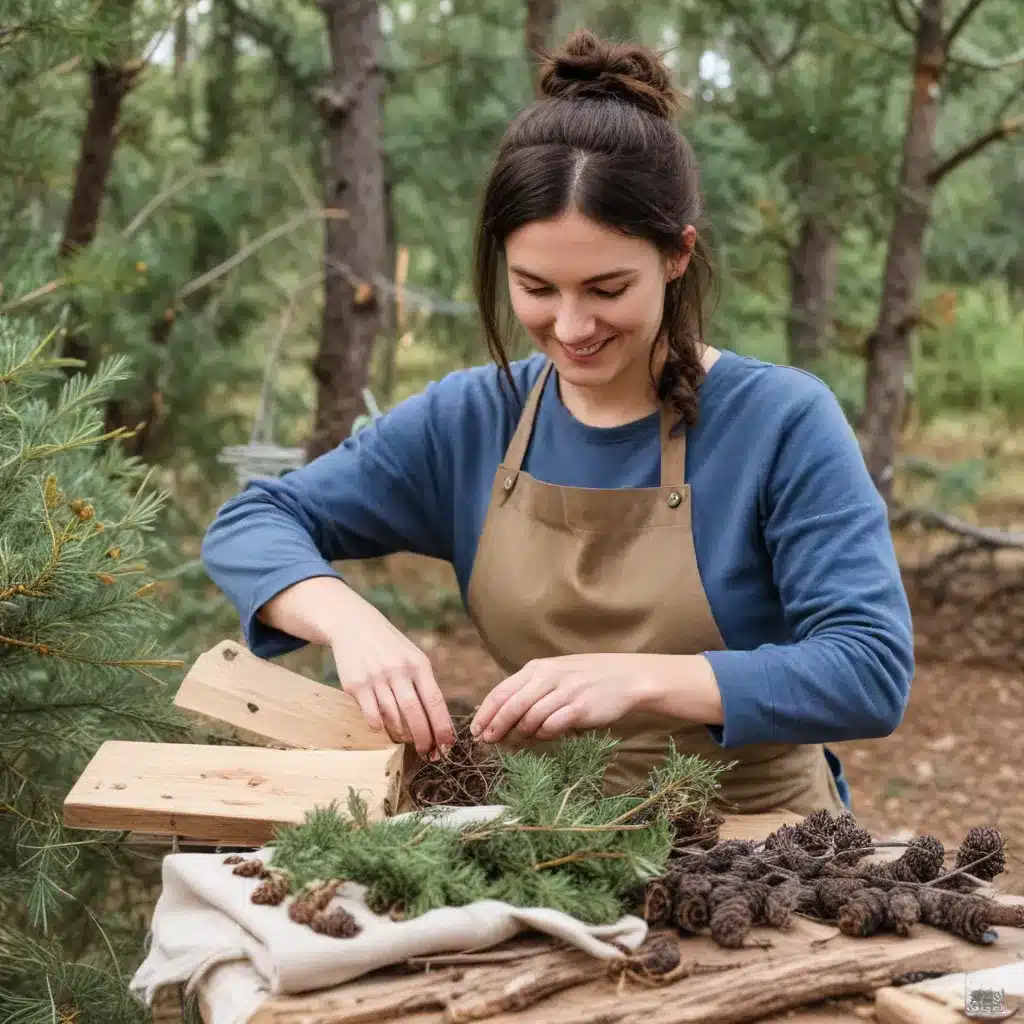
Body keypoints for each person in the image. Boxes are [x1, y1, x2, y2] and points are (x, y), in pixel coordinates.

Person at [200, 30, 914, 816]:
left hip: (759, 850)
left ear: (678, 256)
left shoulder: (779, 422)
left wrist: (642, 677)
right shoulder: (472, 420)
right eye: (536, 287)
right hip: (541, 846)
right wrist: (350, 623)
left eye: (606, 289)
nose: (571, 327)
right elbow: (254, 519)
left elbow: (869, 670)